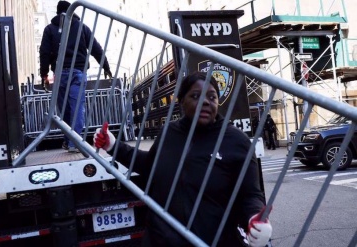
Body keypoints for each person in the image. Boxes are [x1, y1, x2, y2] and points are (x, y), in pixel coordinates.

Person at [94, 72, 272, 246]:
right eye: (195, 96)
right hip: (160, 239)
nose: (205, 102)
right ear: (181, 101)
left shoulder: (236, 141)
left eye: (212, 97)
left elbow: (250, 194)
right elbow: (150, 165)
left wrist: (254, 220)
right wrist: (112, 146)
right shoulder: (169, 133)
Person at [40, 0, 112, 153]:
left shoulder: (50, 29)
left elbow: (44, 53)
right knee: (77, 108)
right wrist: (105, 66)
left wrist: (44, 74)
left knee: (64, 110)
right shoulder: (82, 28)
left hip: (60, 74)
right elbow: (96, 48)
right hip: (78, 72)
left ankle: (70, 141)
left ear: (58, 13)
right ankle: (74, 143)